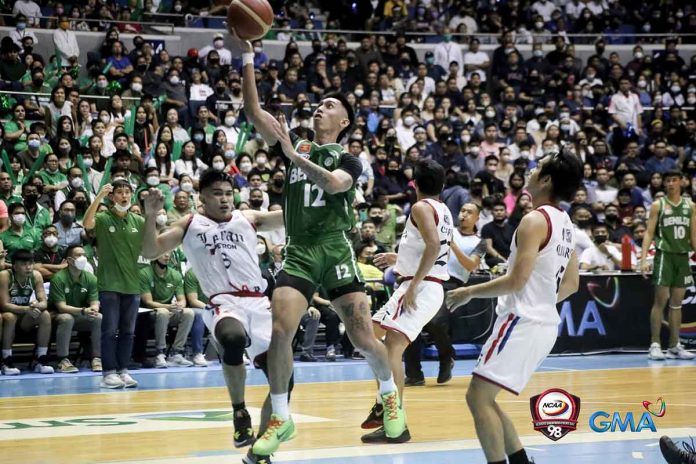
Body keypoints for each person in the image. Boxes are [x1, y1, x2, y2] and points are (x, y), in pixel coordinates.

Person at [233, 32, 405, 459]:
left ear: (344, 122)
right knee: (279, 332)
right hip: (299, 251)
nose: (320, 107)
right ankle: (280, 416)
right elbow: (253, 111)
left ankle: (389, 397)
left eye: (330, 106)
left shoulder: (348, 159)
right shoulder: (295, 142)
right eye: (320, 103)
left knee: (364, 338)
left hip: (335, 252)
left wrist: (293, 156)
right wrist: (250, 58)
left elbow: (332, 184)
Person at [139, 168, 288, 458]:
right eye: (216, 194)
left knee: (285, 380)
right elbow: (149, 251)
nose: (224, 199)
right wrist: (149, 216)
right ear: (202, 199)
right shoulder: (190, 223)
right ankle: (239, 410)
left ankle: (260, 447)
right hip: (224, 303)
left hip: (259, 303)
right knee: (231, 337)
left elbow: (292, 215)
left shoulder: (249, 218)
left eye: (228, 193)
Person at [446, 151, 582, 464]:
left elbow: (516, 282)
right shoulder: (565, 223)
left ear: (546, 180)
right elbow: (571, 284)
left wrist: (469, 292)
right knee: (486, 399)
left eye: (538, 168)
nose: (531, 171)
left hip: (521, 322)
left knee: (478, 398)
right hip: (545, 323)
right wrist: (541, 301)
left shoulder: (535, 220)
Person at [361, 159, 453, 444]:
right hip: (422, 282)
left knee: (392, 347)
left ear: (413, 184)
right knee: (370, 336)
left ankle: (394, 417)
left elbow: (434, 246)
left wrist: (413, 284)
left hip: (422, 286)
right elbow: (431, 247)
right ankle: (383, 403)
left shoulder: (420, 207)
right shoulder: (443, 209)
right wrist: (400, 260)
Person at [404, 202, 486, 386]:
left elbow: (471, 266)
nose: (464, 214)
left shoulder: (480, 243)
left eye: (469, 212)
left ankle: (446, 356)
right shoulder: (447, 229)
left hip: (453, 287)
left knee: (435, 322)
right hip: (430, 279)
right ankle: (414, 374)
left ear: (477, 218)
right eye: (462, 210)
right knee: (410, 324)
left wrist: (453, 245)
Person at [84, 180, 145, 389]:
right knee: (109, 330)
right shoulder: (103, 218)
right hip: (109, 283)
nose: (124, 196)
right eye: (119, 192)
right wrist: (98, 197)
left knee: (128, 332)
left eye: (127, 192)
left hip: (133, 284)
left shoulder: (138, 220)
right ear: (112, 197)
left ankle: (123, 371)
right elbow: (86, 223)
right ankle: (108, 373)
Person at [641, 170, 696, 361]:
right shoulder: (659, 205)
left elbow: (694, 236)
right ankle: (655, 344)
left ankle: (674, 345)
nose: (671, 184)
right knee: (660, 300)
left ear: (682, 182)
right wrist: (643, 259)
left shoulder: (691, 206)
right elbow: (648, 232)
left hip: (682, 257)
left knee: (676, 304)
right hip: (664, 255)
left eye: (674, 180)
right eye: (668, 181)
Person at [0, 249, 53, 375]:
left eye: (30, 263)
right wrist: (26, 309)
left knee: (44, 315)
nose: (28, 267)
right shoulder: (5, 275)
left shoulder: (36, 275)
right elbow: (4, 305)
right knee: (10, 316)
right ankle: (6, 360)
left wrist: (36, 306)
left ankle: (41, 360)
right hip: (6, 317)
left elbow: (44, 303)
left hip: (24, 318)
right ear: (14, 266)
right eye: (24, 264)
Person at [50, 245, 102, 373]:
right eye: (79, 255)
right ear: (69, 260)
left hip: (80, 314)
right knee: (67, 318)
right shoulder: (58, 278)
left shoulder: (90, 278)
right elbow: (61, 307)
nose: (83, 258)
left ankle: (96, 358)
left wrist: (93, 309)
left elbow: (95, 302)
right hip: (57, 316)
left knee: (98, 317)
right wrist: (83, 311)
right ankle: (63, 360)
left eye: (84, 255)